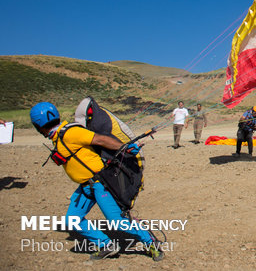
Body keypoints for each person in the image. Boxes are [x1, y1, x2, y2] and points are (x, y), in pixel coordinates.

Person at [29, 102, 164, 261]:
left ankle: (150, 241)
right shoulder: (58, 136)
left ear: (38, 126)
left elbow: (100, 139)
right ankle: (106, 245)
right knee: (73, 220)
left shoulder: (70, 133)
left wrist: (124, 147)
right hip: (85, 187)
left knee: (118, 223)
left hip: (100, 184)